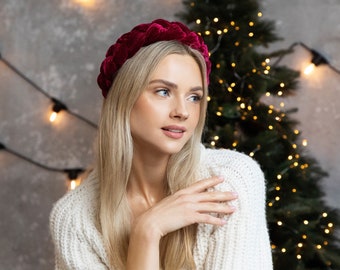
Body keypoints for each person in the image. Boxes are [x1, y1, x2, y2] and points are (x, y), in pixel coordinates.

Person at [50, 19, 273, 270]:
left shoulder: (230, 182)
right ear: (123, 98)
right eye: (163, 92)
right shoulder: (75, 219)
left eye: (194, 97)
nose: (183, 112)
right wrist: (147, 232)